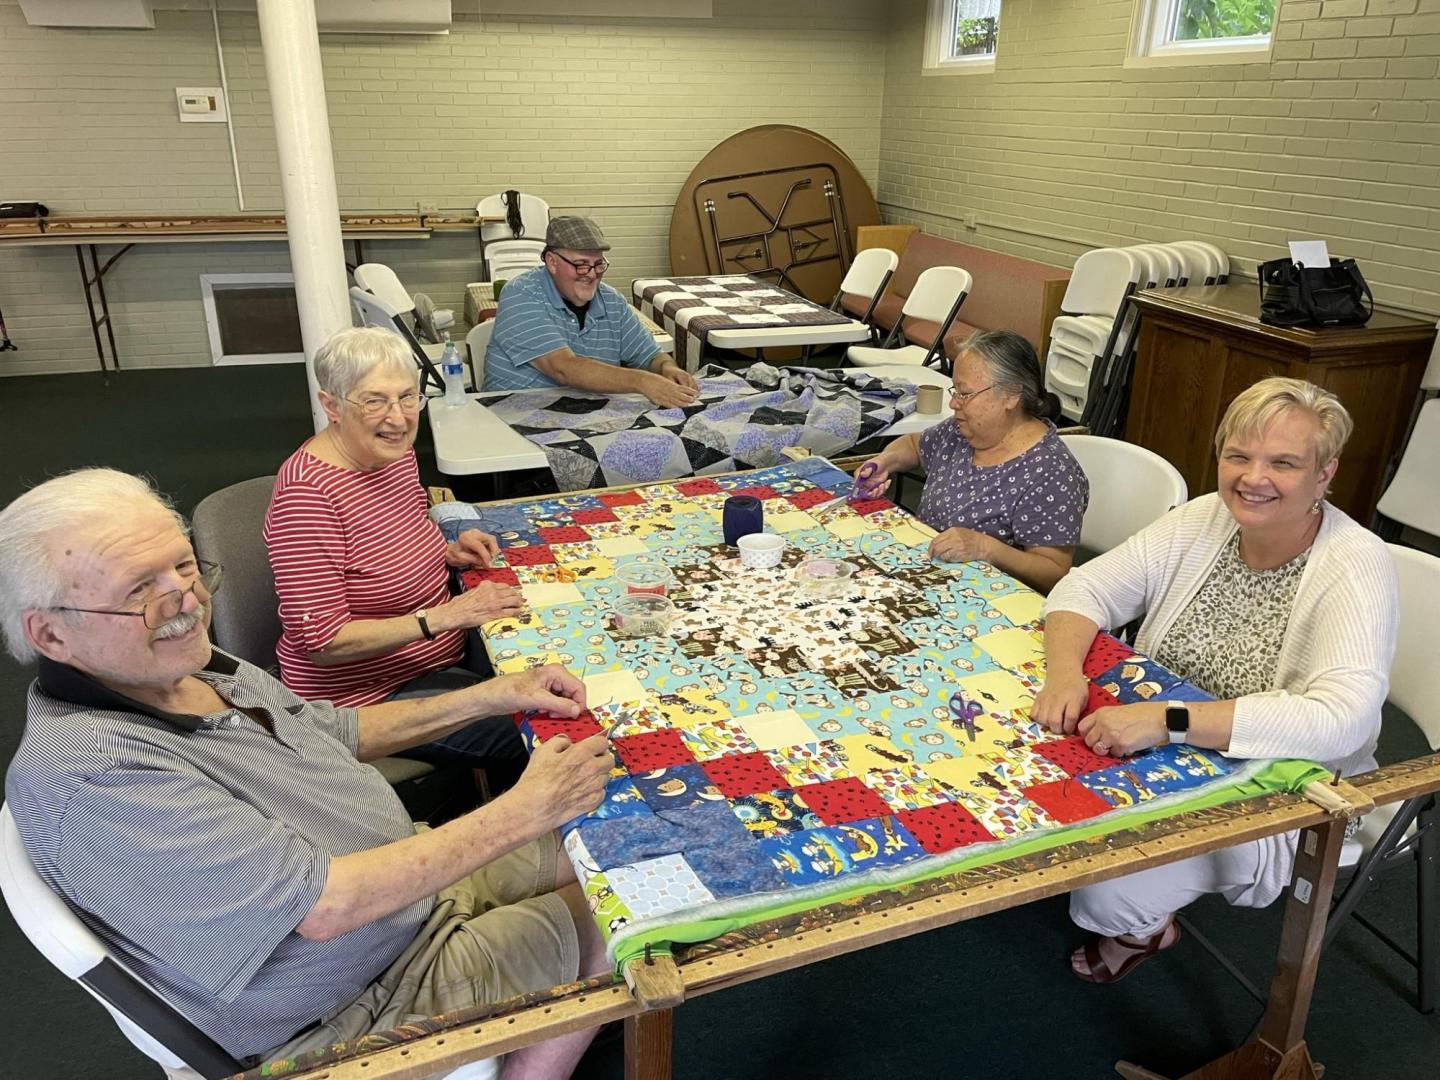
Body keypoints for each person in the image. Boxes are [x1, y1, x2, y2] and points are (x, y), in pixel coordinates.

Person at [0, 468, 615, 1076]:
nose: (188, 603)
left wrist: (491, 695)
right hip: (354, 1005)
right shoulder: (92, 777)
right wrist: (526, 807)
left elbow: (336, 732)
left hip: (403, 901)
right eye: (140, 589)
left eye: (184, 566)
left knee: (613, 846)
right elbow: (326, 907)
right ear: (51, 633)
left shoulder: (185, 671)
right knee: (624, 918)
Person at [1032, 377, 1397, 984]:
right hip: (1157, 739)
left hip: (1284, 785)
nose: (1253, 477)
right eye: (1239, 455)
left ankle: (1144, 930)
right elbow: (1085, 587)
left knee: (1100, 900)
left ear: (1324, 475)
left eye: (1283, 462)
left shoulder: (1357, 563)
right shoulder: (1207, 517)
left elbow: (1343, 719)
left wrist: (1171, 722)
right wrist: (1064, 672)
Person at [265, 327, 525, 772]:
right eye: (374, 401)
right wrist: (448, 616)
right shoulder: (307, 498)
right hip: (367, 699)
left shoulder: (391, 453)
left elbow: (391, 538)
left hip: (443, 652)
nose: (399, 418)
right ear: (331, 406)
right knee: (553, 724)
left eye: (408, 397)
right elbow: (323, 643)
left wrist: (443, 551)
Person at [857, 328, 1088, 593]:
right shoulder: (960, 431)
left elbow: (1053, 573)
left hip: (990, 599)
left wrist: (985, 548)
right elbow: (913, 445)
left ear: (1011, 395)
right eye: (955, 390)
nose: (954, 403)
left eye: (964, 394)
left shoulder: (1050, 470)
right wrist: (885, 462)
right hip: (926, 577)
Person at [482, 215, 700, 408]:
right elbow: (563, 368)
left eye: (598, 264)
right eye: (581, 264)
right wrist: (642, 381)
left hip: (584, 414)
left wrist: (667, 368)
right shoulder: (521, 294)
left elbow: (651, 355)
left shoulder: (611, 301)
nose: (591, 274)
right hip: (511, 418)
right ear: (551, 262)